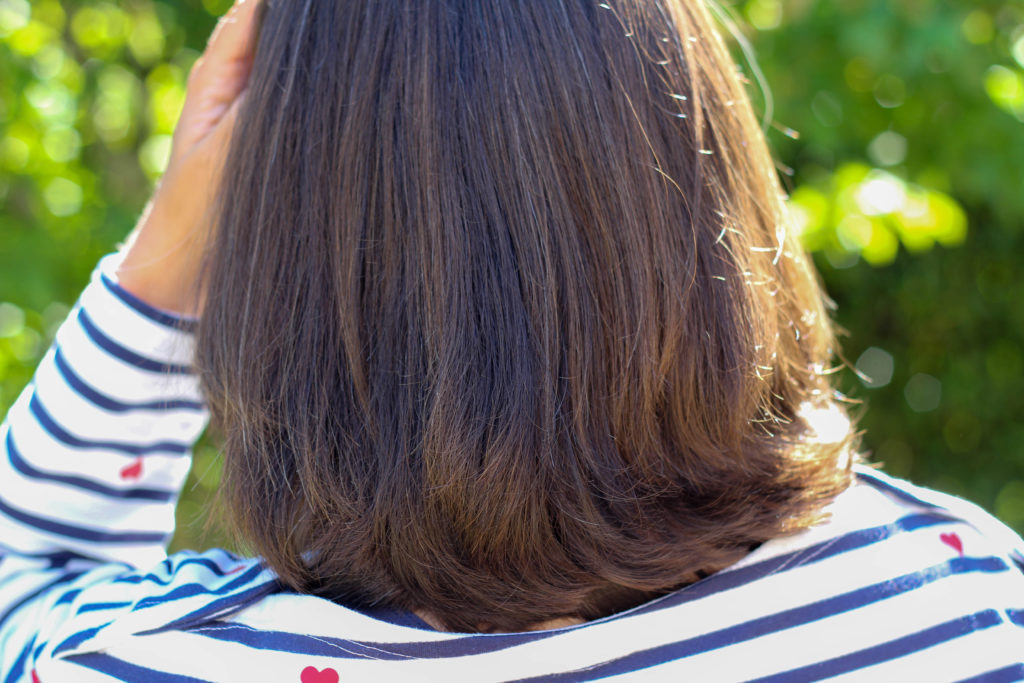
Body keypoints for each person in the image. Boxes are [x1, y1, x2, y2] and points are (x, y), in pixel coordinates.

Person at [1, 0, 1022, 679]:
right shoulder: (968, 601)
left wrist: (161, 263)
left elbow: (20, 576)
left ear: (286, 266)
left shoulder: (162, 664)